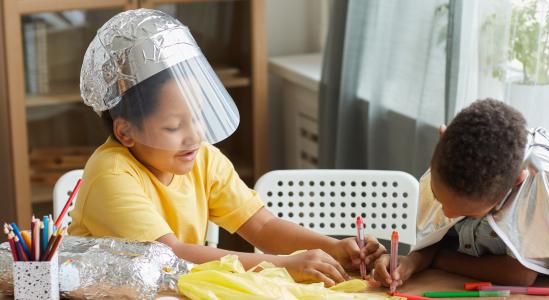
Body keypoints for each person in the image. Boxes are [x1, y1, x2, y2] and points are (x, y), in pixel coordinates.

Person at [69, 8, 385, 287]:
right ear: (125, 131)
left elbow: (263, 226)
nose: (193, 136)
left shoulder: (201, 158)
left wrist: (333, 247)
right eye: (173, 127)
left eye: (197, 117)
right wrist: (285, 266)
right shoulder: (110, 175)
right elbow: (170, 256)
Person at [374, 99, 549, 296]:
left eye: (466, 213)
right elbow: (439, 234)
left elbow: (519, 276)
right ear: (442, 135)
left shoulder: (538, 191)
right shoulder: (452, 161)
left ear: (515, 183)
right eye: (437, 197)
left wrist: (441, 259)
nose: (446, 213)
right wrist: (411, 262)